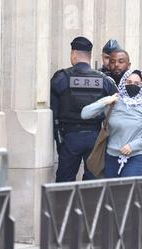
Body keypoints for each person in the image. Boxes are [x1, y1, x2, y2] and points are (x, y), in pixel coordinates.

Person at [50, 36, 118, 183]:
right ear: (90, 55)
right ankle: (88, 206)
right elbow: (116, 110)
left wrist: (58, 140)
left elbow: (53, 112)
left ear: (73, 54)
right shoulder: (105, 81)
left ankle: (65, 206)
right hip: (95, 136)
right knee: (93, 182)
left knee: (64, 182)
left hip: (69, 136)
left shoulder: (61, 78)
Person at [81, 69, 142, 178]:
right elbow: (85, 114)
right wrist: (105, 102)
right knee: (113, 193)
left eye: (137, 84)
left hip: (134, 157)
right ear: (123, 83)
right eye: (128, 82)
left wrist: (132, 146)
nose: (132, 86)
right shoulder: (113, 101)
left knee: (128, 191)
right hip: (111, 157)